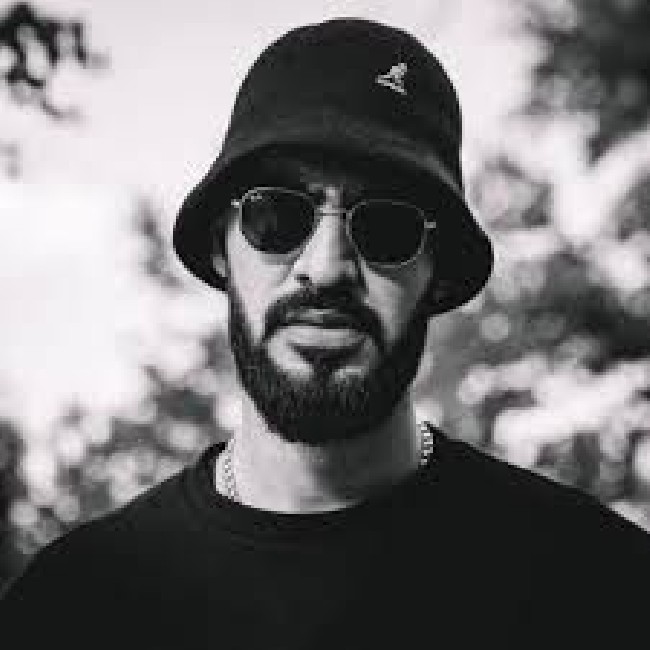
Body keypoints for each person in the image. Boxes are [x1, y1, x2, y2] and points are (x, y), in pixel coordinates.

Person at [1, 17, 649, 649]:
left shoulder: (598, 587)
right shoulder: (75, 608)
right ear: (221, 247)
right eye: (277, 215)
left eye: (387, 227)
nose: (327, 266)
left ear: (439, 273)